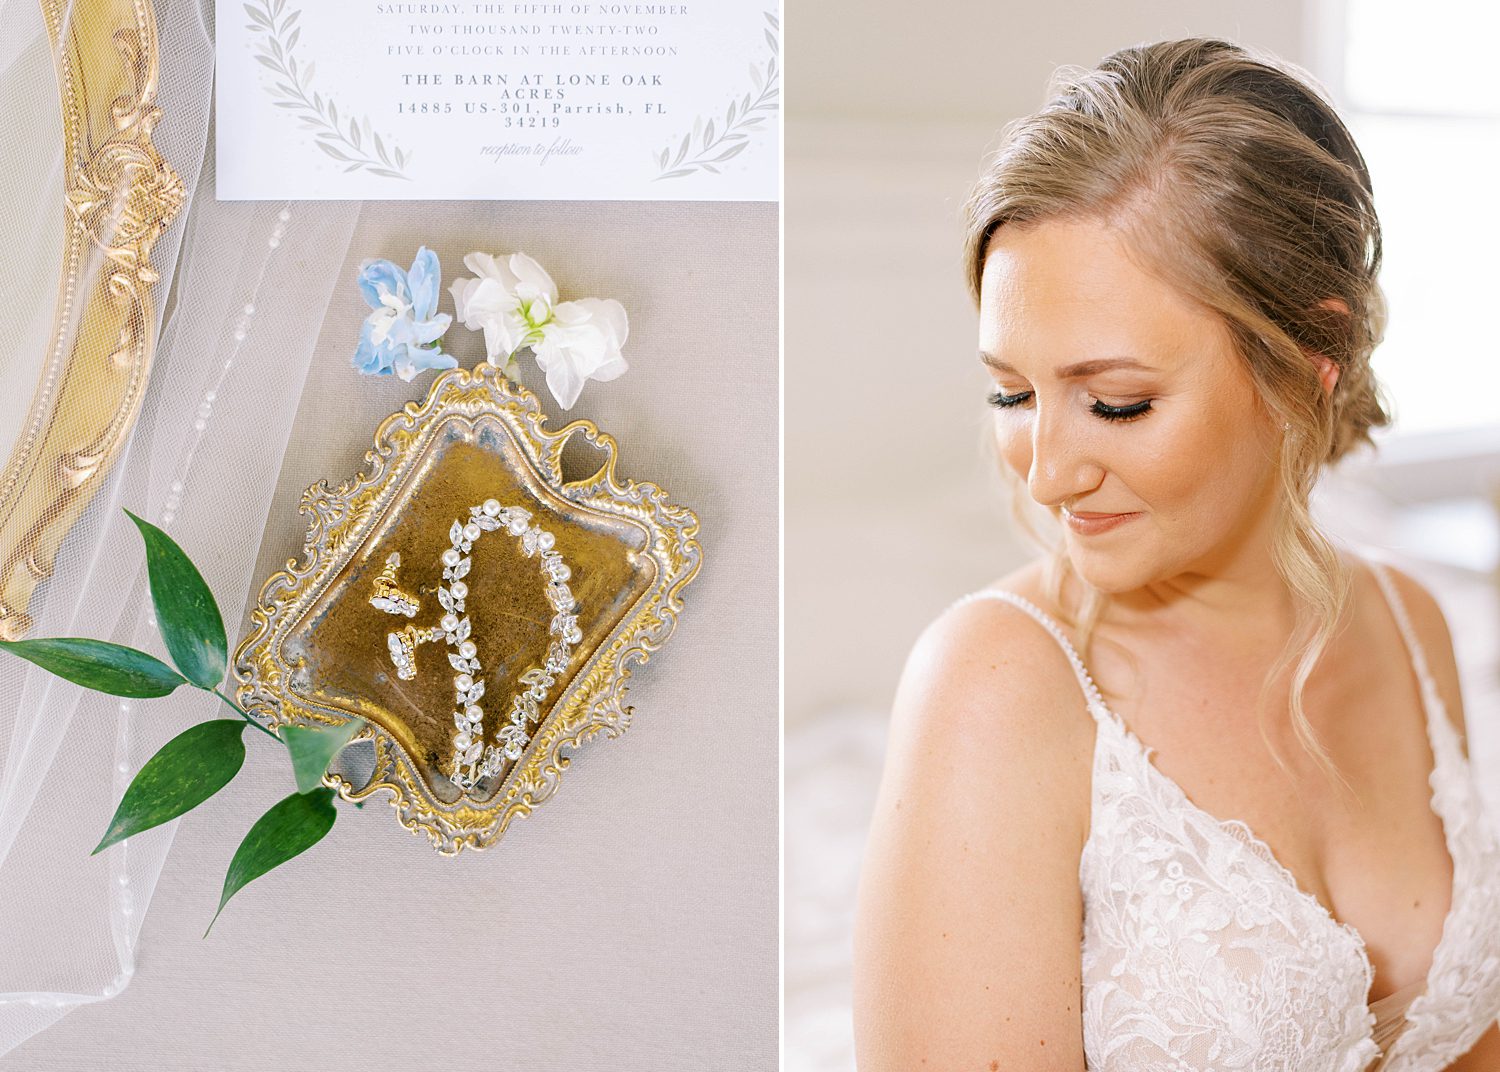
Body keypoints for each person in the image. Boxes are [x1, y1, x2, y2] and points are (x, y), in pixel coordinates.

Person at [852, 38, 1500, 1071]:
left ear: (1305, 361)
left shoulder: (1409, 624)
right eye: (1012, 393)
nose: (1048, 471)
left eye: (1116, 402)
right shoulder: (995, 684)